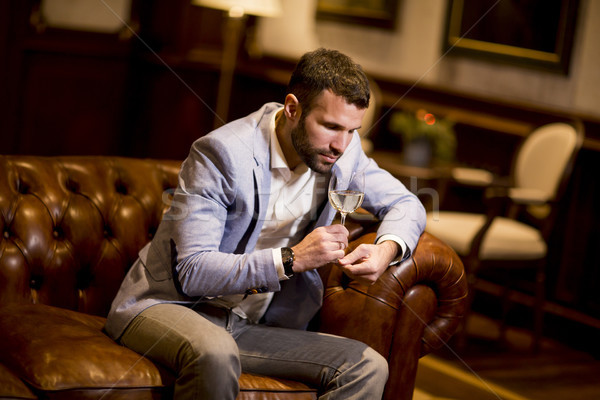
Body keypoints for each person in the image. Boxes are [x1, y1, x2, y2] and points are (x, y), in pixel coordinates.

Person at [105, 48, 426, 399]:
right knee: (215, 351)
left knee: (367, 366)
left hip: (248, 326)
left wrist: (387, 249)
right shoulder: (222, 154)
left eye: (352, 130)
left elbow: (407, 202)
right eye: (331, 127)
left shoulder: (344, 152)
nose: (341, 145)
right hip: (168, 307)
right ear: (292, 109)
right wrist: (291, 259)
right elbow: (193, 270)